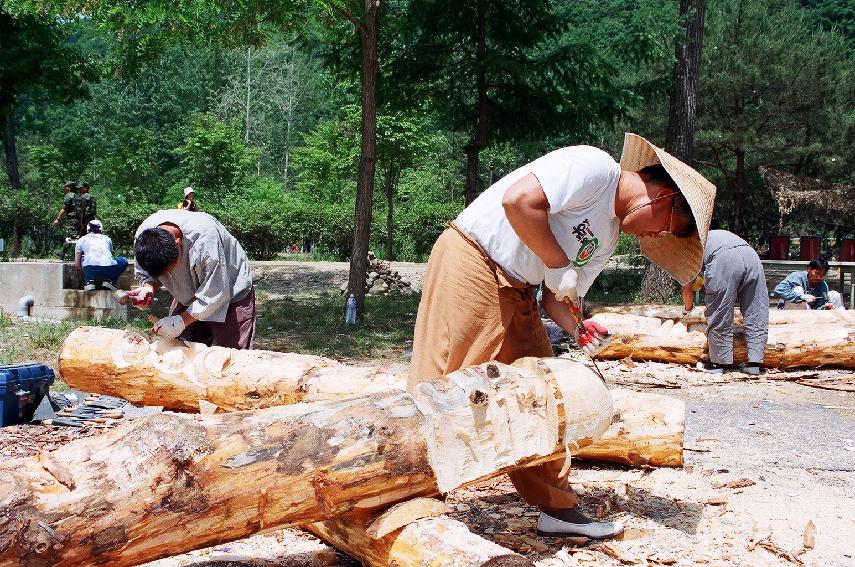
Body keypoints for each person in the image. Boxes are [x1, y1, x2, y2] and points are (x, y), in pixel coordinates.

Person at [409, 133, 716, 539]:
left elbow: (558, 296)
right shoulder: (593, 168)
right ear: (663, 199)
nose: (656, 237)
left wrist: (577, 325)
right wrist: (557, 263)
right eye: (666, 230)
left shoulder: (606, 238)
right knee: (445, 381)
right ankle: (410, 495)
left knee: (539, 394)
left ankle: (557, 508)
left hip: (521, 289)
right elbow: (519, 202)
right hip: (473, 259)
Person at [130, 210, 256, 349]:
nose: (167, 277)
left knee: (234, 355)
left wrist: (181, 321)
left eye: (169, 270)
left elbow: (216, 291)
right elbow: (146, 273)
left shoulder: (205, 238)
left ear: (178, 243)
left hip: (230, 289)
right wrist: (148, 287)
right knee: (177, 350)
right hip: (188, 292)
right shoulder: (144, 237)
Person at [681, 230, 768, 375]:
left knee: (719, 311)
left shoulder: (689, 247)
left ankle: (718, 364)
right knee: (756, 309)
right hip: (751, 256)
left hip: (725, 258)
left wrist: (687, 309)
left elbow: (686, 286)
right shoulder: (712, 236)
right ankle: (754, 364)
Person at [74, 219, 128, 291]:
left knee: (83, 259)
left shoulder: (81, 240)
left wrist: (88, 272)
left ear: (87, 230)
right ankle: (110, 281)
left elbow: (77, 264)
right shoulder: (107, 239)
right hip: (108, 270)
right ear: (101, 231)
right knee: (123, 260)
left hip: (90, 270)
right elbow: (109, 257)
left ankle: (89, 281)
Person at [773, 256, 845, 310]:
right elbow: (778, 290)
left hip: (810, 312)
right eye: (817, 273)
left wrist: (825, 307)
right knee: (798, 289)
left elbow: (819, 305)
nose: (819, 277)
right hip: (789, 311)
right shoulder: (796, 277)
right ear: (809, 269)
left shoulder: (823, 285)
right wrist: (801, 297)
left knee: (835, 295)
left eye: (822, 275)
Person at [53, 181, 81, 259]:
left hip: (72, 219)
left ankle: (63, 253)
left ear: (69, 187)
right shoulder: (78, 197)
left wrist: (58, 219)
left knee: (70, 237)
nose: (65, 188)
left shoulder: (68, 196)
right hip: (78, 219)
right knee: (75, 237)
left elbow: (64, 209)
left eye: (66, 187)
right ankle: (68, 253)